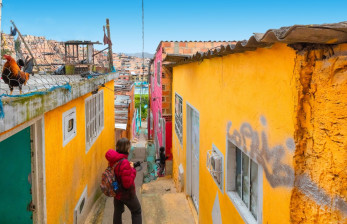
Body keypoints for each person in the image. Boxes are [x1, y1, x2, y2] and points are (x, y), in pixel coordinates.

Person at [105, 138, 142, 224]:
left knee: (118, 211)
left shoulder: (113, 159)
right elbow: (127, 184)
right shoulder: (124, 162)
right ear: (126, 148)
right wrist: (132, 170)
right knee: (136, 211)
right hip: (126, 194)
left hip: (116, 190)